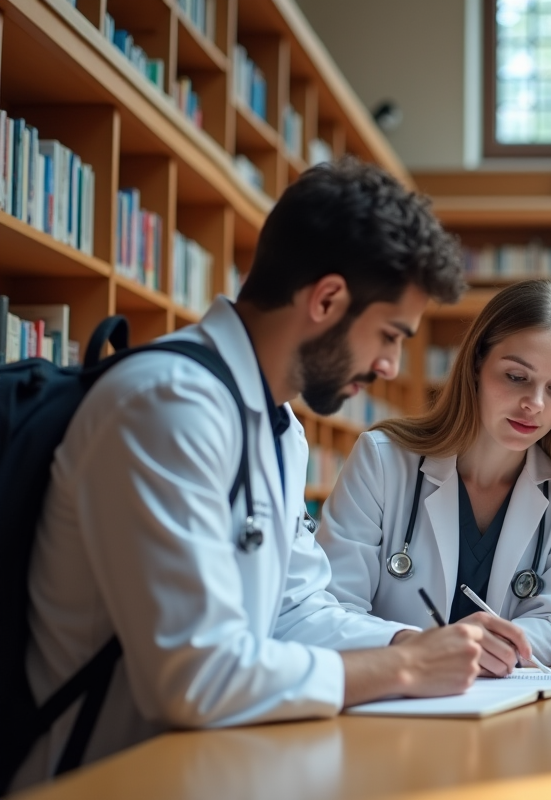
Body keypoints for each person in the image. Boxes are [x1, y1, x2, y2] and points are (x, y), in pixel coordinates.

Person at [14, 159, 512, 788]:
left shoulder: (277, 427)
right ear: (326, 300)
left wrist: (410, 643)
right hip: (105, 779)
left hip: (214, 766)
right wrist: (406, 669)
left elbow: (293, 609)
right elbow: (196, 677)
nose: (390, 365)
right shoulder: (167, 405)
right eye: (389, 335)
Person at [318, 280, 551, 669]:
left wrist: (480, 648)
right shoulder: (383, 462)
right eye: (516, 376)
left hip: (508, 700)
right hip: (392, 691)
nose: (535, 404)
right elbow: (330, 607)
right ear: (475, 365)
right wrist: (428, 649)